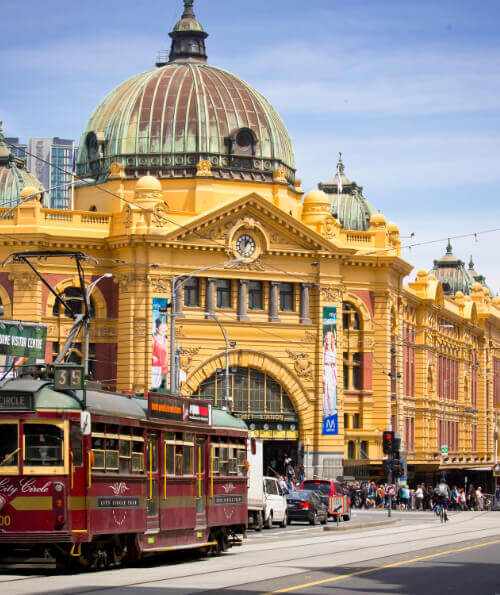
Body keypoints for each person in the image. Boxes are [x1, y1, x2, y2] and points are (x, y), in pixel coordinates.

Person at [322, 331, 337, 418]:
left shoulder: (334, 349)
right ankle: (326, 411)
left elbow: (336, 363)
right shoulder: (323, 349)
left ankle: (331, 409)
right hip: (325, 370)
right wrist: (323, 375)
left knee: (331, 391)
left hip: (332, 371)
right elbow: (321, 362)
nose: (327, 339)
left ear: (332, 339)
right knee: (325, 392)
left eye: (329, 338)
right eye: (326, 338)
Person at [152, 317, 168, 389]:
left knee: (163, 390)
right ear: (157, 330)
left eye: (165, 330)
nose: (165, 331)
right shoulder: (153, 340)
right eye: (163, 329)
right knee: (155, 389)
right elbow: (148, 353)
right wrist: (152, 357)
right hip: (155, 369)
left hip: (165, 369)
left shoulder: (166, 341)